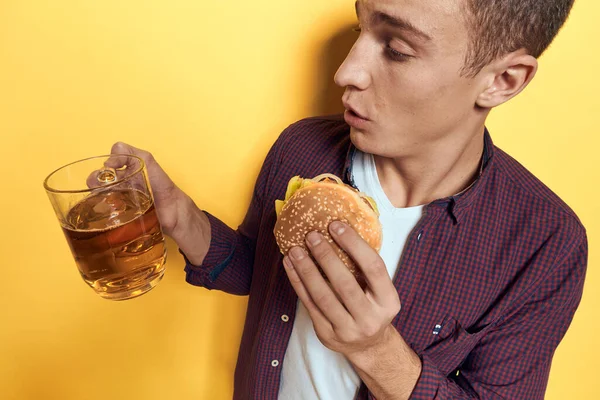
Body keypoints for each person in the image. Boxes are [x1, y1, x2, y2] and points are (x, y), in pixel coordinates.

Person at [111, 0, 588, 398]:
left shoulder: (546, 244)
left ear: (501, 81)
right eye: (361, 27)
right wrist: (183, 219)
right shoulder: (301, 148)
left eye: (397, 50)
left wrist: (375, 349)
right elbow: (260, 274)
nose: (346, 72)